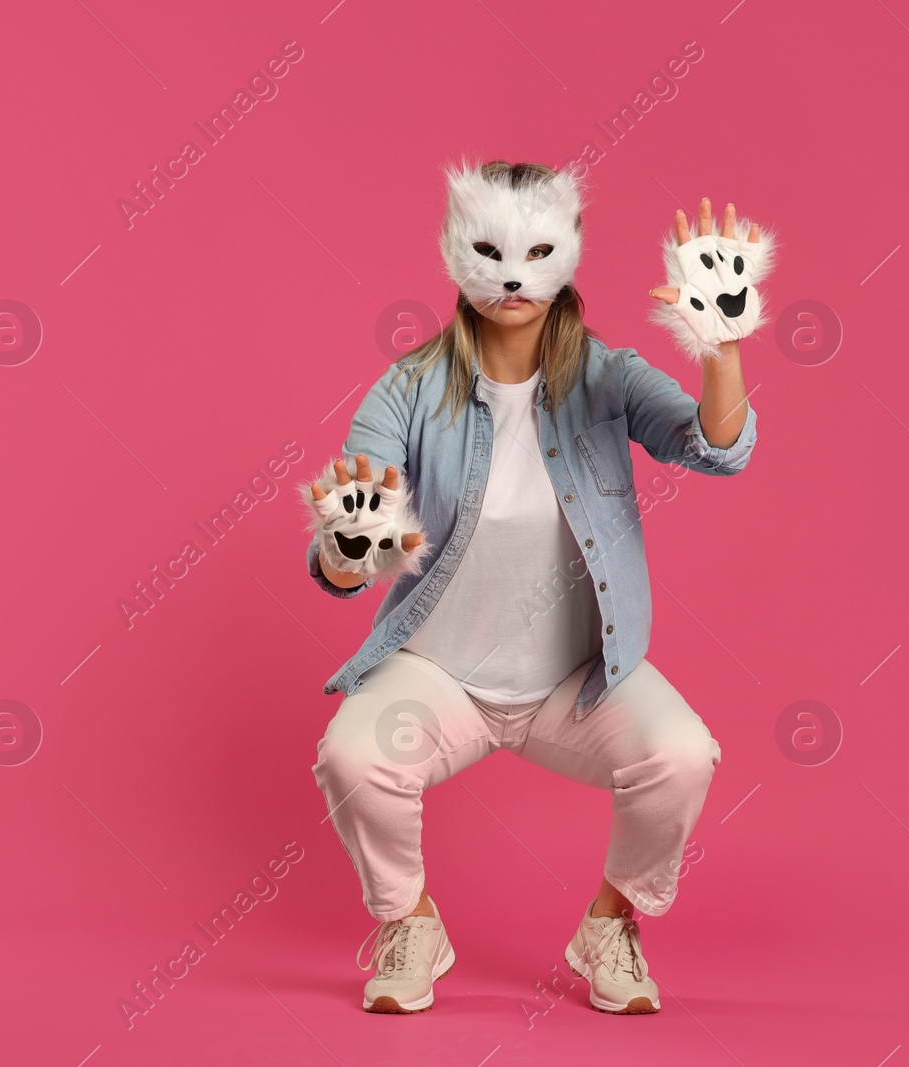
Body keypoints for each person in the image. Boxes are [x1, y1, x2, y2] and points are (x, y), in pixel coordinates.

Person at [304, 159, 774, 1014]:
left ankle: (610, 922)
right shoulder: (406, 391)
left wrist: (723, 345)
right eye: (490, 249)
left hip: (576, 683)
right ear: (456, 248)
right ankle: (411, 920)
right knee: (351, 755)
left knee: (681, 755)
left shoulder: (609, 378)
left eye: (536, 251)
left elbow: (719, 447)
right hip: (440, 674)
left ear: (570, 252)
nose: (514, 276)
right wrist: (348, 541)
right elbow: (346, 564)